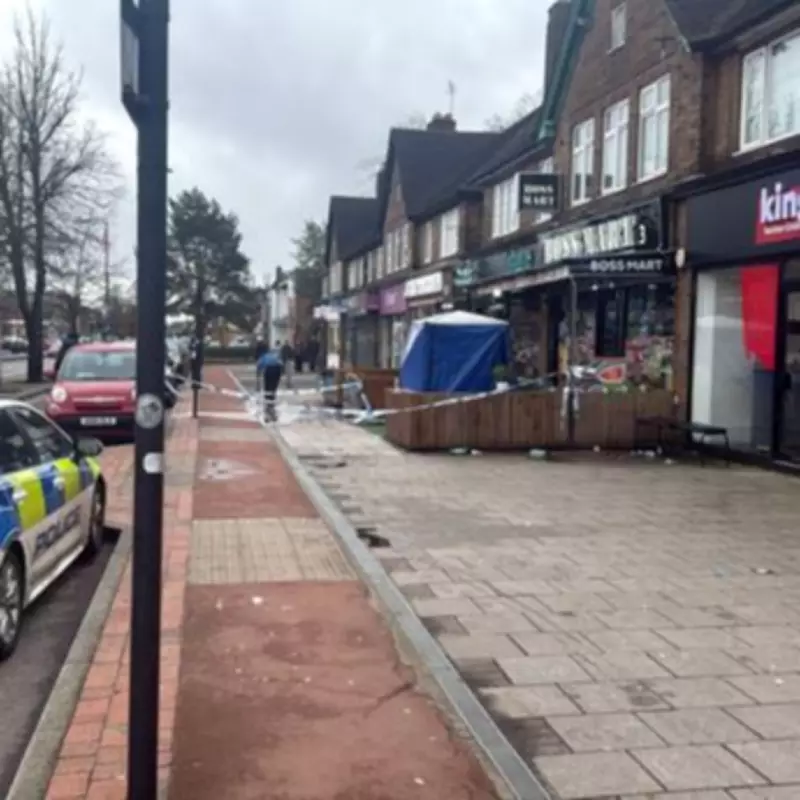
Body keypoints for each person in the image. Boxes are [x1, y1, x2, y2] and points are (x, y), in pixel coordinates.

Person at [256, 345, 283, 421]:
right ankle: (271, 405)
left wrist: (257, 380)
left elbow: (259, 367)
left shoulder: (263, 356)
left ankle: (268, 406)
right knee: (273, 389)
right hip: (277, 369)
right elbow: (281, 364)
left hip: (269, 370)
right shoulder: (275, 355)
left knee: (268, 389)